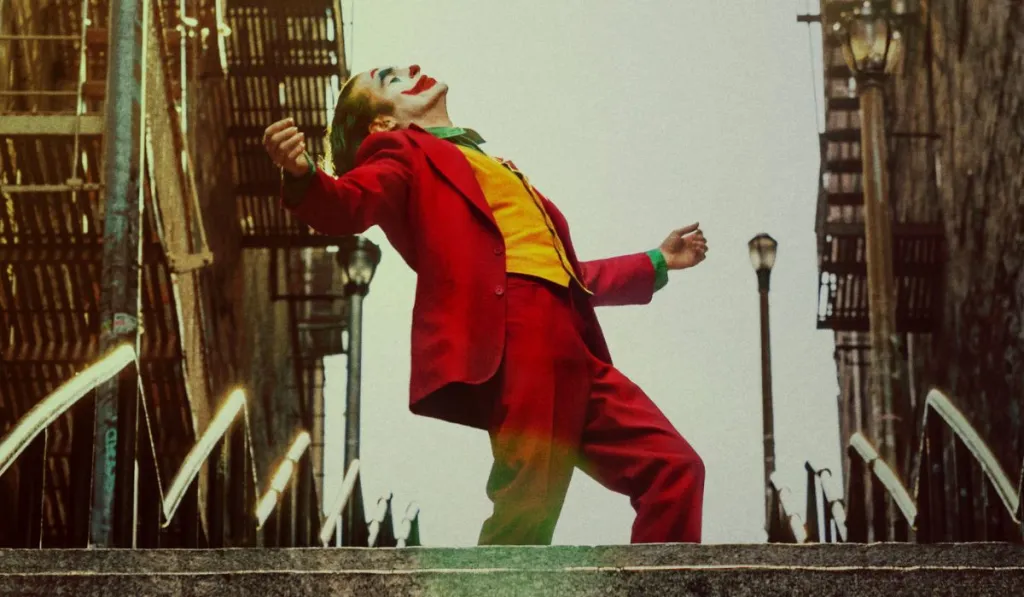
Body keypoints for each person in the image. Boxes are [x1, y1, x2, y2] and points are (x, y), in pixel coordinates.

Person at [264, 64, 708, 545]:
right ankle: (490, 580)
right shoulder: (399, 152)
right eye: (390, 79)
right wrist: (303, 174)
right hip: (517, 334)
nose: (411, 69)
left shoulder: (493, 165)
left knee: (674, 468)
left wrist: (656, 261)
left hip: (574, 346)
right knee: (529, 499)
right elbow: (349, 201)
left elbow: (567, 275)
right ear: (383, 123)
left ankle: (663, 580)